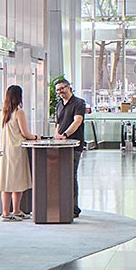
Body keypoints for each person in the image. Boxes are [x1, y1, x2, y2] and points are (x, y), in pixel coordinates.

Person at [0, 84, 34, 221]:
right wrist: (36, 137)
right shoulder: (19, 112)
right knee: (18, 181)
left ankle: (5, 212)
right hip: (17, 150)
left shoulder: (4, 112)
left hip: (5, 150)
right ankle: (16, 210)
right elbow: (25, 133)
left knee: (6, 181)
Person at [53, 77, 89, 216]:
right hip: (60, 145)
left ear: (68, 87)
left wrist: (66, 135)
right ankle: (61, 204)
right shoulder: (59, 105)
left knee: (70, 175)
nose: (60, 92)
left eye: (62, 88)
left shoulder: (79, 103)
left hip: (74, 145)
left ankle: (73, 208)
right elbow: (58, 124)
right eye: (58, 90)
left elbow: (77, 121)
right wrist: (57, 135)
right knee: (60, 175)